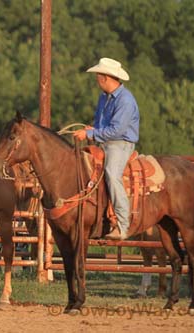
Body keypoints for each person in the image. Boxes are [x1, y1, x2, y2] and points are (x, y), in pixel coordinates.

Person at [73, 57, 140, 241]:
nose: (97, 80)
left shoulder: (125, 100)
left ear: (105, 78)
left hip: (120, 144)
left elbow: (117, 130)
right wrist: (92, 130)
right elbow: (101, 125)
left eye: (98, 77)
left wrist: (90, 134)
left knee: (111, 173)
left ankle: (123, 223)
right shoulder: (104, 98)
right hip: (104, 142)